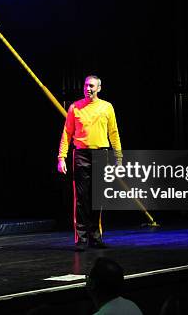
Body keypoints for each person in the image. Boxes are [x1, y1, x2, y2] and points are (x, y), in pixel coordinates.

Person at [57, 75, 122, 250]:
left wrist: (119, 158)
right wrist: (61, 157)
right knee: (81, 198)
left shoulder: (107, 107)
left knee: (97, 198)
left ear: (99, 88)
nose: (88, 88)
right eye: (86, 85)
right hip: (81, 154)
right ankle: (82, 238)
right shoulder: (74, 107)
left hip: (101, 153)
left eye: (92, 86)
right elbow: (67, 133)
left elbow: (113, 133)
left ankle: (95, 236)